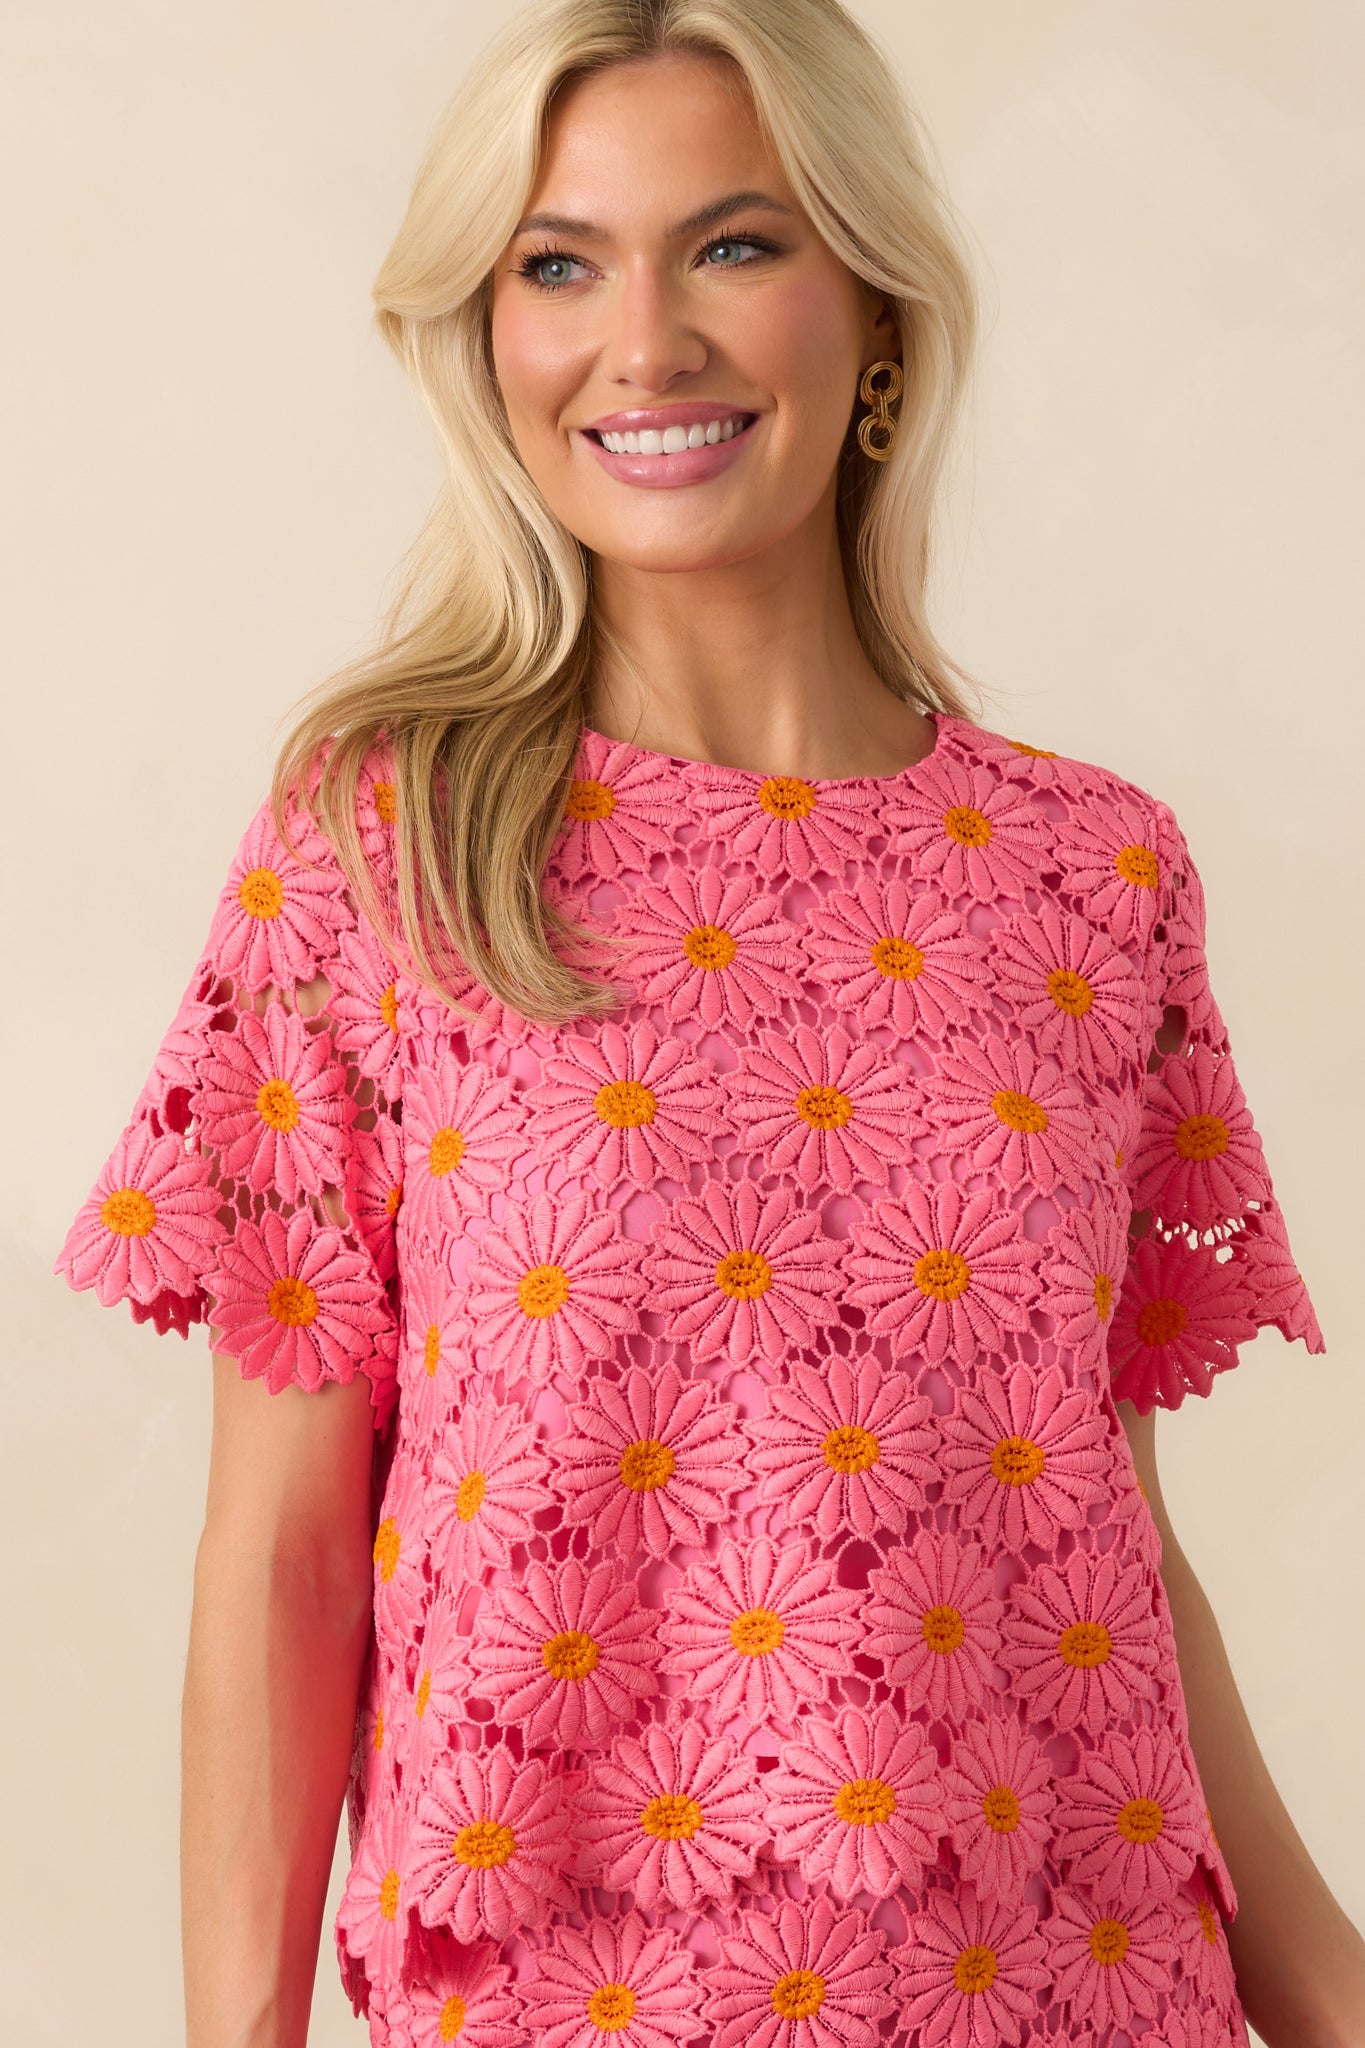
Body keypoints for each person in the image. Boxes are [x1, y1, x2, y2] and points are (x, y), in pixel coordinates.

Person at [56, 2, 1365, 2044]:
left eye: (733, 245)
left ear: (874, 316)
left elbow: (1089, 1539)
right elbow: (285, 1557)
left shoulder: (1088, 878)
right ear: (487, 339)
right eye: (556, 264)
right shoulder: (382, 842)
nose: (638, 340)